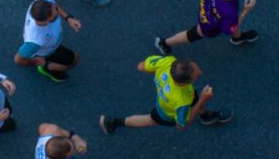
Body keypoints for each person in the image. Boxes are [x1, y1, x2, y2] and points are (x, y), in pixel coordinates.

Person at [98, 55, 232, 134]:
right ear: (184, 83)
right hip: (167, 113)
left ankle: (204, 116)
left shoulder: (168, 62)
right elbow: (181, 125)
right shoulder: (182, 101)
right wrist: (203, 99)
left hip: (173, 97)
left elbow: (140, 66)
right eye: (196, 76)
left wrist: (159, 75)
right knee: (148, 120)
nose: (200, 73)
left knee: (195, 97)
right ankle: (113, 122)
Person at [154, 0, 257, 55]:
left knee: (194, 32)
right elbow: (232, 28)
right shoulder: (229, 11)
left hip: (205, 11)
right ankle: (237, 38)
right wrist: (246, 10)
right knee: (194, 34)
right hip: (210, 26)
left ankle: (163, 43)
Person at [14, 0, 81, 83]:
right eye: (54, 15)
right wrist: (39, 62)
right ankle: (46, 68)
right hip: (48, 52)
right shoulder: (35, 40)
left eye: (54, 8)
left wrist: (68, 18)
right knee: (74, 60)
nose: (57, 11)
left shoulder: (43, 1)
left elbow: (54, 4)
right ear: (44, 21)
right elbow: (18, 60)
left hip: (50, 43)